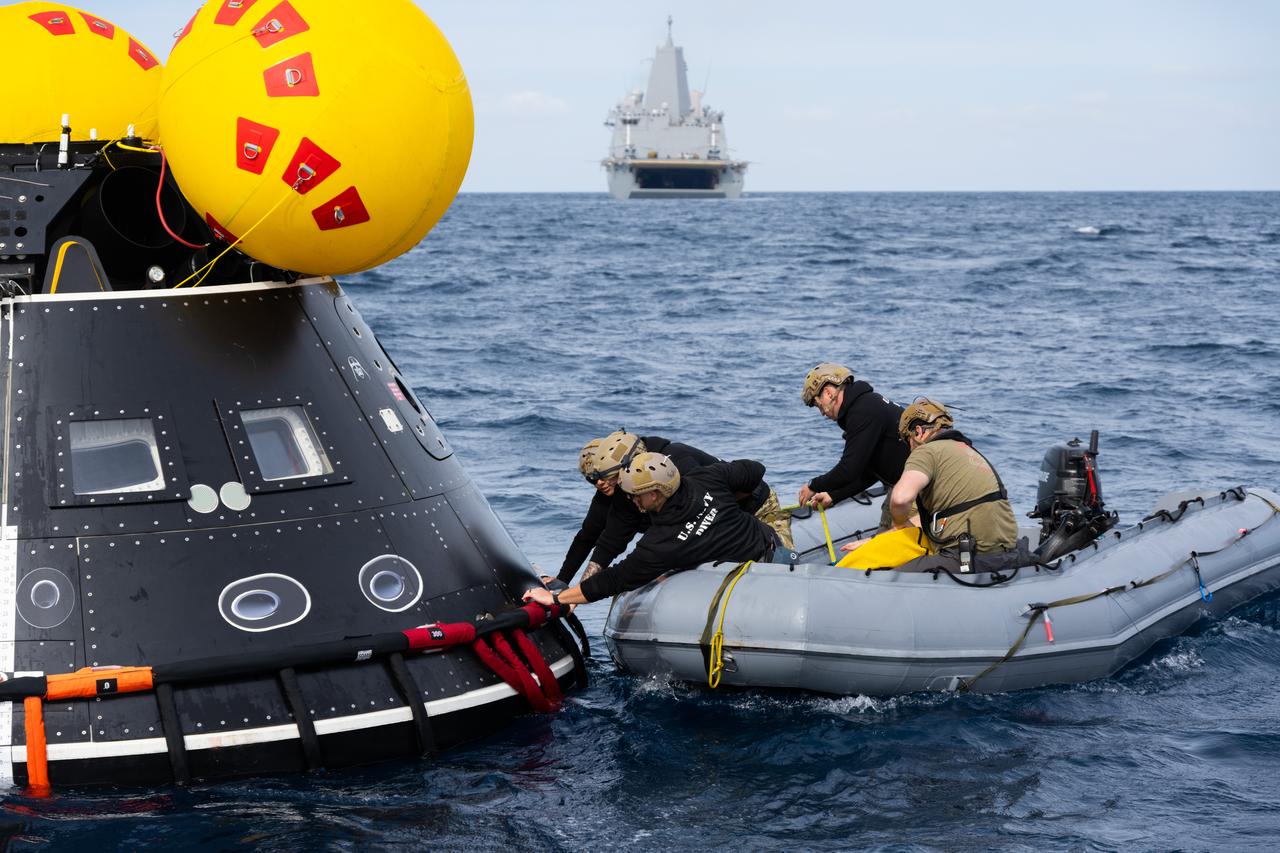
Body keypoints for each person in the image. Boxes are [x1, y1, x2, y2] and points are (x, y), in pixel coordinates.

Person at [526, 452, 780, 608]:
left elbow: (615, 579)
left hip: (752, 582)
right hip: (776, 548)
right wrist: (723, 506)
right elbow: (755, 469)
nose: (631, 500)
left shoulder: (662, 544)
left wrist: (557, 599)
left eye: (635, 494)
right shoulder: (708, 478)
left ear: (656, 494)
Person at [555, 431, 792, 585]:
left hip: (749, 508)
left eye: (606, 478)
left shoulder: (674, 464)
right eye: (592, 480)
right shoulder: (622, 492)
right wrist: (565, 586)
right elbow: (602, 542)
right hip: (705, 526)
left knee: (777, 565)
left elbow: (716, 505)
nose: (600, 484)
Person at [888, 398, 1017, 555]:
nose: (909, 448)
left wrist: (899, 525)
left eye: (908, 441)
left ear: (918, 432)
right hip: (1005, 547)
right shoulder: (970, 451)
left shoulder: (926, 451)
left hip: (966, 552)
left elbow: (900, 499)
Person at [798, 363, 910, 532]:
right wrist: (834, 496)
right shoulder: (864, 405)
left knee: (886, 550)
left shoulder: (862, 411)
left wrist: (813, 485)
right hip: (905, 484)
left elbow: (849, 468)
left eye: (819, 405)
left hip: (916, 487)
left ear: (828, 393)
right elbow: (869, 472)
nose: (822, 413)